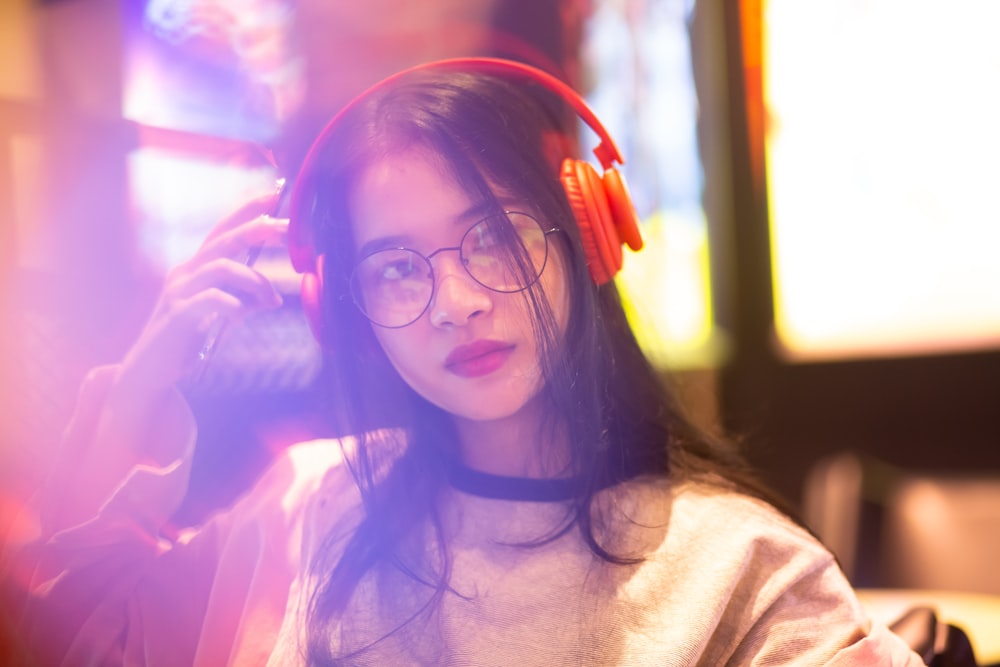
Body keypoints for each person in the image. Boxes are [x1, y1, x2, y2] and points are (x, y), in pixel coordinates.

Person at [3, 58, 924, 666]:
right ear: (348, 309)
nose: (457, 301)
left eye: (494, 236)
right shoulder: (310, 508)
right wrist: (136, 385)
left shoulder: (742, 568)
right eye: (396, 268)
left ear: (587, 236)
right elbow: (73, 632)